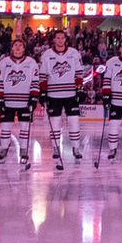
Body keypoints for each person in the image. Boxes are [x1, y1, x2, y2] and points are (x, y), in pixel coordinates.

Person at [39, 31, 84, 160]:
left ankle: (76, 147)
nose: (60, 40)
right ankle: (55, 147)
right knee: (55, 122)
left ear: (65, 39)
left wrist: (79, 89)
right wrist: (43, 92)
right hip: (53, 94)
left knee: (74, 121)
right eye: (57, 38)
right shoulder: (46, 55)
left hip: (71, 93)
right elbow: (43, 76)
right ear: (54, 40)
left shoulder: (74, 53)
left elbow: (79, 73)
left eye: (62, 38)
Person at [0, 39, 39, 164]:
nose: (18, 47)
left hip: (24, 101)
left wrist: (33, 98)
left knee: (24, 127)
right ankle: (4, 149)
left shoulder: (31, 62)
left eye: (20, 45)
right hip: (7, 101)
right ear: (12, 48)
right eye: (15, 45)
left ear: (24, 48)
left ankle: (23, 150)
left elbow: (35, 82)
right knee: (5, 127)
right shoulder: (4, 62)